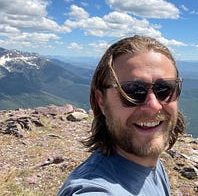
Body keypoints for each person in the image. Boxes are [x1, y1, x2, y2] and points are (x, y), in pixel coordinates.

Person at [58, 35, 186, 195]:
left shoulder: (148, 161)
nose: (153, 105)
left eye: (164, 89)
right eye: (132, 91)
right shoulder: (94, 189)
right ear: (102, 102)